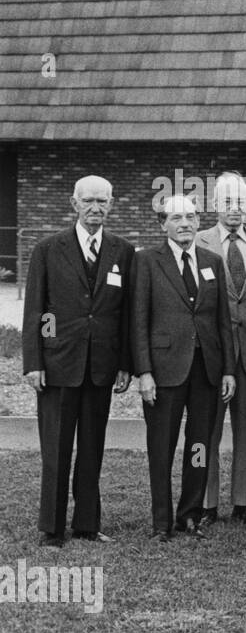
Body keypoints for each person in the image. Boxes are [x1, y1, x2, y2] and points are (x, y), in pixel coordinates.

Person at [22, 175, 134, 546]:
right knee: (56, 449)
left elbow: (126, 314)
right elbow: (38, 311)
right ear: (74, 204)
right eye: (88, 201)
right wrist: (35, 361)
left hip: (100, 366)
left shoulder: (122, 251)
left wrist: (124, 362)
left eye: (102, 201)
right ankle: (52, 528)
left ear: (111, 205)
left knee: (91, 448)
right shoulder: (48, 249)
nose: (95, 208)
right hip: (57, 366)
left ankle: (87, 523)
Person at [132, 196, 235, 541]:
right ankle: (161, 522)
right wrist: (143, 371)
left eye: (191, 217)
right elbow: (138, 320)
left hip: (206, 370)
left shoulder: (212, 262)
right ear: (163, 224)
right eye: (176, 218)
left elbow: (223, 321)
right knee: (161, 446)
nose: (185, 223)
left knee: (199, 446)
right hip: (164, 371)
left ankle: (189, 514)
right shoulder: (146, 261)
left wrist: (228, 370)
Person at [196, 171, 246, 526]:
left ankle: (241, 502)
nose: (235, 209)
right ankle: (207, 502)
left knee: (245, 429)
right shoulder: (197, 241)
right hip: (213, 350)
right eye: (227, 202)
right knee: (208, 429)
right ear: (215, 205)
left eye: (241, 202)